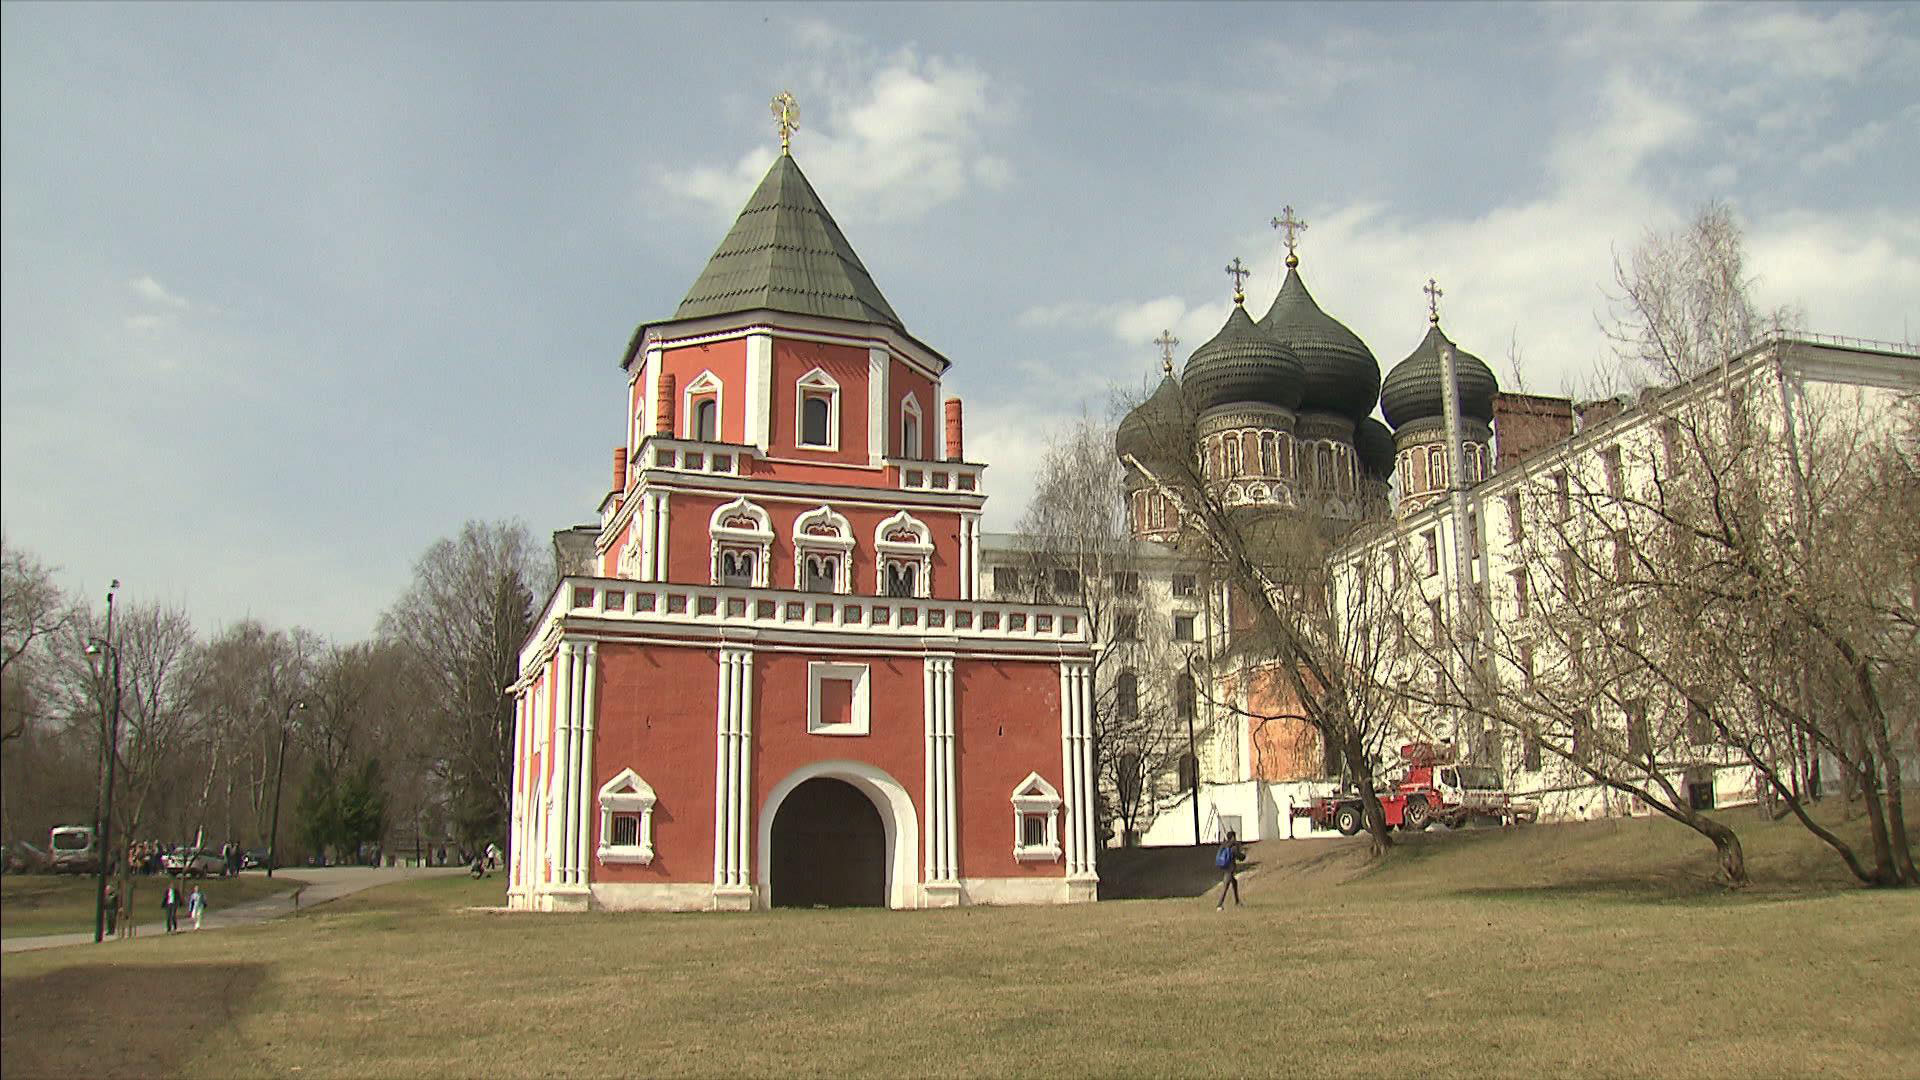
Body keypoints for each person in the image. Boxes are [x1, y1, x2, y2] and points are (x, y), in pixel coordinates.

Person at [1214, 830, 1245, 910]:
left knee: (1234, 882)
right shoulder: (1233, 847)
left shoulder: (1224, 845)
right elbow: (1241, 857)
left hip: (1224, 867)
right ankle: (1219, 905)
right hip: (1229, 869)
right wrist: (1242, 851)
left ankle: (1237, 901)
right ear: (1233, 837)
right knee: (1225, 886)